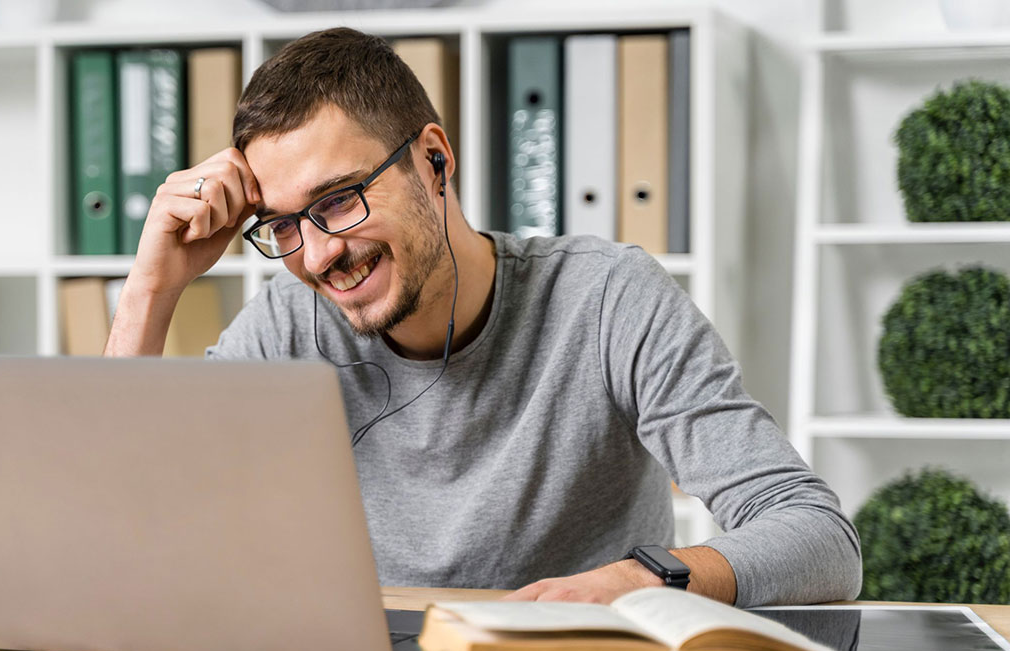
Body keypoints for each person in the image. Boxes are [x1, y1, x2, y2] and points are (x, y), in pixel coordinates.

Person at [105, 27, 862, 608]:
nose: (318, 255)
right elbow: (125, 518)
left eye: (339, 200)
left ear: (433, 159)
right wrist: (149, 289)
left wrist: (642, 582)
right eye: (286, 224)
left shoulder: (606, 299)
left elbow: (818, 537)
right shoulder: (288, 325)